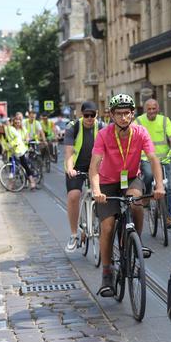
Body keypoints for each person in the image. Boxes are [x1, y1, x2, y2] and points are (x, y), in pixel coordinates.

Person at [89, 94, 165, 297]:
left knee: (136, 203)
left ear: (133, 114)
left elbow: (153, 159)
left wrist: (159, 185)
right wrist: (96, 190)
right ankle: (107, 273)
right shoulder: (104, 135)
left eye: (127, 113)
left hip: (130, 179)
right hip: (107, 183)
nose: (124, 117)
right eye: (119, 114)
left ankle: (135, 243)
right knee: (107, 226)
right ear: (112, 115)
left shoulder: (140, 132)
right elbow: (94, 166)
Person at [64, 101, 101, 252]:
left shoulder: (102, 127)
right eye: (87, 115)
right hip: (77, 167)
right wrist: (70, 168)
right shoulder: (73, 127)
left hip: (96, 167)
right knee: (74, 195)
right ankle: (74, 235)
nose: (90, 118)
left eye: (93, 115)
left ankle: (97, 224)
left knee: (101, 194)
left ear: (96, 115)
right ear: (82, 115)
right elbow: (68, 152)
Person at [135, 99, 171, 227]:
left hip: (164, 158)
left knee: (168, 187)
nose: (151, 111)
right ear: (145, 109)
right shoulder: (139, 121)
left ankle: (168, 216)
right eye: (149, 109)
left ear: (158, 109)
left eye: (154, 108)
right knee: (147, 175)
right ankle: (147, 196)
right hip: (146, 158)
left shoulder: (164, 120)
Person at [5, 112, 38, 190]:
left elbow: (27, 136)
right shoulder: (11, 129)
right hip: (13, 150)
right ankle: (11, 185)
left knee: (25, 165)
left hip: (22, 149)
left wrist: (26, 139)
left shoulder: (23, 129)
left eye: (18, 122)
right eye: (16, 122)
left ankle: (32, 182)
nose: (17, 123)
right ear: (13, 122)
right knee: (12, 167)